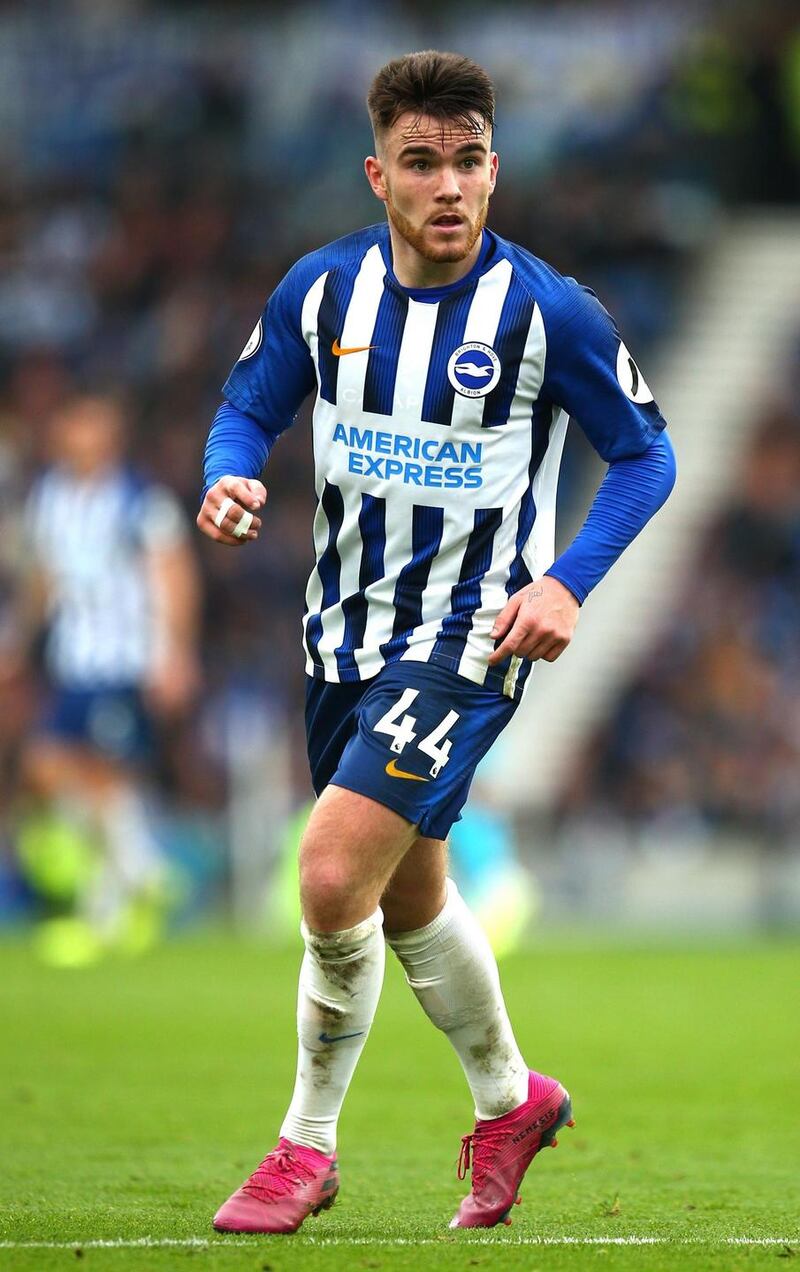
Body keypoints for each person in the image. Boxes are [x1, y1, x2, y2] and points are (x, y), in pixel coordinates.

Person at [198, 51, 676, 1233]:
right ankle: (511, 1102)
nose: (448, 185)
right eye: (420, 162)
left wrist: (563, 582)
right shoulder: (321, 292)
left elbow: (644, 455)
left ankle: (303, 1149)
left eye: (467, 162)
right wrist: (228, 475)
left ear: (494, 170)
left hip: (470, 638)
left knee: (327, 876)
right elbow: (249, 404)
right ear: (379, 176)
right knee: (408, 897)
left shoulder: (547, 311)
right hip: (339, 636)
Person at [11, 392, 200, 963]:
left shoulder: (140, 499)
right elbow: (43, 578)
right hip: (73, 659)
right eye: (75, 422)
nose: (82, 434)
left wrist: (174, 654)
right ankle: (142, 873)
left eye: (94, 423)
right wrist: (17, 643)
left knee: (99, 773)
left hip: (123, 659)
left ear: (111, 432)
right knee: (51, 767)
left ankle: (108, 909)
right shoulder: (49, 496)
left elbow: (174, 573)